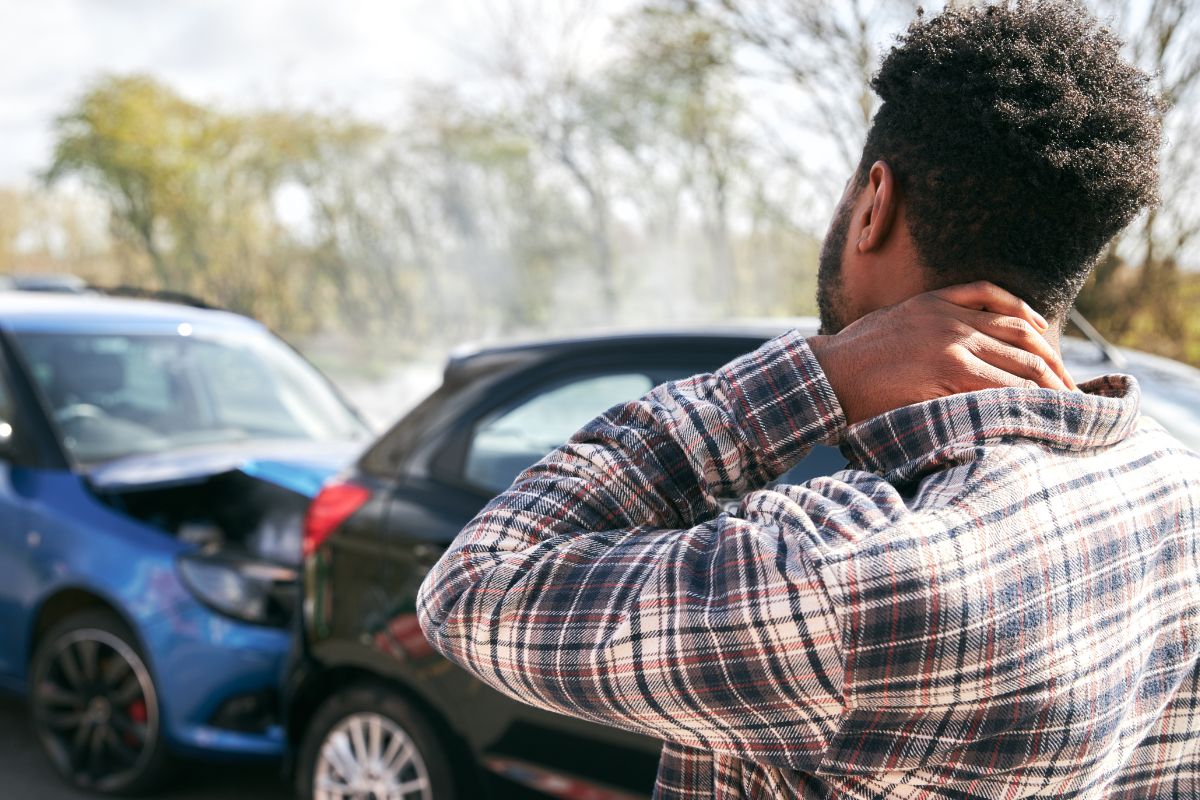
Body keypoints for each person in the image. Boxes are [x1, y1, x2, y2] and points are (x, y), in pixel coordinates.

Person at [417, 2, 1199, 797]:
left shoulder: (842, 575)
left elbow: (477, 585)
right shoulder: (1178, 489)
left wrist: (818, 376)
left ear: (873, 205)